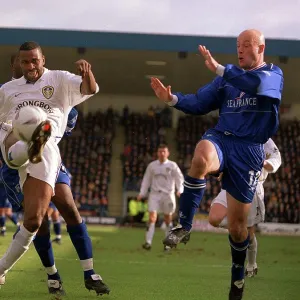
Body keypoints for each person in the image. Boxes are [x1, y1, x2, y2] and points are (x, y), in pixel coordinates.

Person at [150, 29, 283, 299]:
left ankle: (237, 280)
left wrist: (221, 68)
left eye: (247, 45)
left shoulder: (272, 73)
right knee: (200, 156)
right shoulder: (226, 81)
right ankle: (184, 226)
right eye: (238, 45)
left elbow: (255, 85)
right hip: (222, 139)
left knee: (237, 227)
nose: (241, 49)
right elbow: (200, 102)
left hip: (250, 151)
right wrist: (172, 99)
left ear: (261, 48)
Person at [0, 42, 110, 296]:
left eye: (34, 61)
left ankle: (90, 272)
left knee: (69, 209)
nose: (30, 66)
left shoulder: (59, 79)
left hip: (49, 151)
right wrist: (8, 147)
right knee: (37, 221)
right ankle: (52, 274)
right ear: (18, 63)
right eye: (24, 62)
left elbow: (90, 89)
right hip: (20, 158)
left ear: (42, 59)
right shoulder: (8, 91)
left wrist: (87, 73)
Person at [209, 138, 281, 277]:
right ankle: (238, 227)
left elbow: (275, 156)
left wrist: (267, 164)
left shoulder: (264, 138)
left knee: (249, 231)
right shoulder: (234, 133)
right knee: (214, 219)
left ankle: (251, 264)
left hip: (252, 186)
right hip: (232, 184)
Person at [137, 144, 184, 251]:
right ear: (157, 153)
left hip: (168, 195)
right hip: (154, 194)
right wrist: (142, 193)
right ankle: (148, 242)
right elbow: (146, 180)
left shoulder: (173, 165)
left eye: (164, 151)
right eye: (160, 151)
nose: (162, 153)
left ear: (168, 153)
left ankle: (168, 243)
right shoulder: (152, 166)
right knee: (152, 217)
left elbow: (179, 179)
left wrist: (180, 190)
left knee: (168, 219)